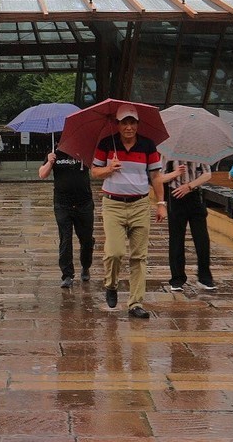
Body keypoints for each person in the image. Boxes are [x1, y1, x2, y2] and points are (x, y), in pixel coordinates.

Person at [89, 105, 166, 319]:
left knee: (139, 256)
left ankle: (135, 303)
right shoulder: (106, 144)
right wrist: (109, 169)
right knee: (114, 252)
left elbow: (156, 177)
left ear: (137, 124)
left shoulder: (148, 145)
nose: (129, 127)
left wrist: (161, 203)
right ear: (118, 124)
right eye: (125, 122)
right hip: (113, 204)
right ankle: (111, 284)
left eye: (132, 122)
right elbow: (94, 172)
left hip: (140, 205)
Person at [38, 147, 94, 288]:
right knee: (65, 239)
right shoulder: (55, 153)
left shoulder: (85, 151)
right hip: (62, 204)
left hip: (84, 203)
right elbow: (42, 174)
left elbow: (96, 171)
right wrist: (50, 162)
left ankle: (86, 265)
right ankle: (67, 274)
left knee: (86, 239)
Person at [159, 160, 215, 291]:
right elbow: (160, 177)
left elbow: (207, 174)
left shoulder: (199, 151)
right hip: (175, 196)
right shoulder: (168, 154)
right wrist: (175, 173)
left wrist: (189, 186)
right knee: (176, 239)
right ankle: (177, 279)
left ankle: (205, 277)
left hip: (195, 195)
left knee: (202, 238)